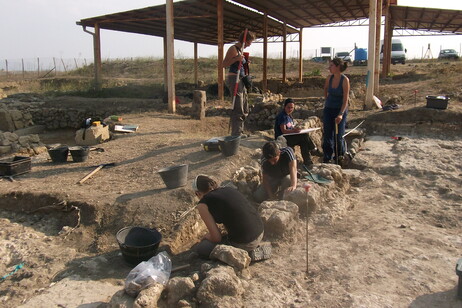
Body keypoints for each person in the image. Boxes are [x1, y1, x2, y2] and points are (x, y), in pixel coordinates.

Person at [192, 174, 271, 261]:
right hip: (260, 231)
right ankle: (251, 248)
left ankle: (247, 256)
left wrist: (206, 237)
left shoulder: (202, 205)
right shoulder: (227, 189)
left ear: (197, 193)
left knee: (202, 248)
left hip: (246, 242)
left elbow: (216, 238)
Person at [222, 30, 255, 136]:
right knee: (238, 106)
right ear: (245, 40)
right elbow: (224, 64)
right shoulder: (233, 49)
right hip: (234, 79)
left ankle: (240, 131)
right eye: (250, 42)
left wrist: (245, 62)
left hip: (241, 79)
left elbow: (239, 64)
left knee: (245, 106)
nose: (250, 45)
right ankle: (236, 133)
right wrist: (236, 58)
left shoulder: (241, 50)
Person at [322, 57, 350, 163]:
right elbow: (325, 89)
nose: (329, 68)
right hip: (329, 109)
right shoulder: (329, 78)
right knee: (328, 134)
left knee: (338, 136)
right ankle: (327, 157)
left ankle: (339, 156)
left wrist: (341, 114)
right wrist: (327, 100)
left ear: (338, 67)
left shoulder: (345, 80)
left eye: (331, 66)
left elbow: (345, 99)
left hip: (340, 109)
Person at [274, 98, 316, 167]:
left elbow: (291, 126)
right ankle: (313, 149)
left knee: (304, 142)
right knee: (304, 136)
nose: (290, 109)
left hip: (289, 136)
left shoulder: (289, 116)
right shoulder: (282, 116)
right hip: (283, 138)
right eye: (288, 107)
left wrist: (295, 129)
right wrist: (294, 131)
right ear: (285, 107)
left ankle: (307, 161)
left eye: (292, 108)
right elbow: (283, 131)